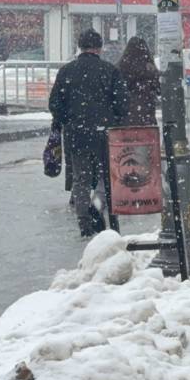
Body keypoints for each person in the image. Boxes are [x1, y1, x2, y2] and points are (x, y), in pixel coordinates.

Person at [48, 29, 129, 237]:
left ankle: (84, 223)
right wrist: (113, 120)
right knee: (106, 175)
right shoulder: (110, 71)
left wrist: (69, 120)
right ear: (99, 48)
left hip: (76, 133)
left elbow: (55, 104)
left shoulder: (66, 71)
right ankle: (98, 204)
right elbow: (122, 104)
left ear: (80, 47)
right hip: (104, 133)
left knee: (81, 179)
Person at [118, 37, 160, 126]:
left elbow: (117, 92)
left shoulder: (121, 67)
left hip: (126, 118)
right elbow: (159, 90)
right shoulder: (150, 68)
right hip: (147, 117)